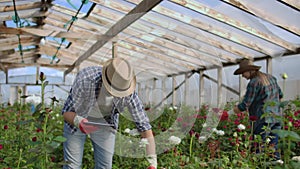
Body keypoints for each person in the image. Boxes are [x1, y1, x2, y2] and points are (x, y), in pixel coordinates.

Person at [61, 57, 157, 169]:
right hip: (78, 118)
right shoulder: (85, 80)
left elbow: (144, 127)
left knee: (105, 166)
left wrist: (152, 162)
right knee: (72, 165)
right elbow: (66, 112)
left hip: (104, 123)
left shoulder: (128, 93)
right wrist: (79, 122)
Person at [233, 59, 283, 161]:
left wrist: (234, 110)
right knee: (273, 148)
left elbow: (246, 104)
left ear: (250, 71)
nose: (242, 75)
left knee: (259, 148)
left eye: (243, 73)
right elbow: (280, 95)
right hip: (276, 118)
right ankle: (275, 165)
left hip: (263, 119)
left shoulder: (254, 82)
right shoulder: (271, 78)